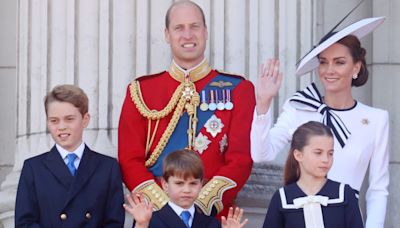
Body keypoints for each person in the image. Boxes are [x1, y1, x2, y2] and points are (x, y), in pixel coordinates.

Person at [118, 0, 255, 217]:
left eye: (195, 26)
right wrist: (166, 209)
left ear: (206, 32)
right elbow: (129, 159)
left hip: (212, 218)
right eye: (179, 28)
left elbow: (240, 159)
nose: (188, 35)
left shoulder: (239, 89)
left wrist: (198, 206)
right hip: (156, 217)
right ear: (167, 34)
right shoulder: (141, 91)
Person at [251, 17, 388, 228]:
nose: (329, 70)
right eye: (323, 62)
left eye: (339, 62)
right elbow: (261, 154)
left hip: (345, 218)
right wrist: (263, 105)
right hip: (298, 216)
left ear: (356, 68)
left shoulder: (377, 120)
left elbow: (378, 189)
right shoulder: (298, 108)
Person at [15, 84, 125, 227]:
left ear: (85, 119)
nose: (61, 126)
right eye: (54, 120)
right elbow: (24, 223)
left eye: (69, 119)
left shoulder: (108, 167)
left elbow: (114, 222)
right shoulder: (33, 168)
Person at [262, 121, 363, 228]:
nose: (325, 159)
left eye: (330, 153)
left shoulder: (344, 194)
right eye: (318, 153)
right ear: (298, 155)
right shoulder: (282, 198)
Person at [124, 149, 248, 228]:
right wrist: (141, 224)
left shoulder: (212, 224)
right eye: (179, 183)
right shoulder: (150, 220)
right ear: (165, 185)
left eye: (193, 183)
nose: (187, 190)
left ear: (201, 184)